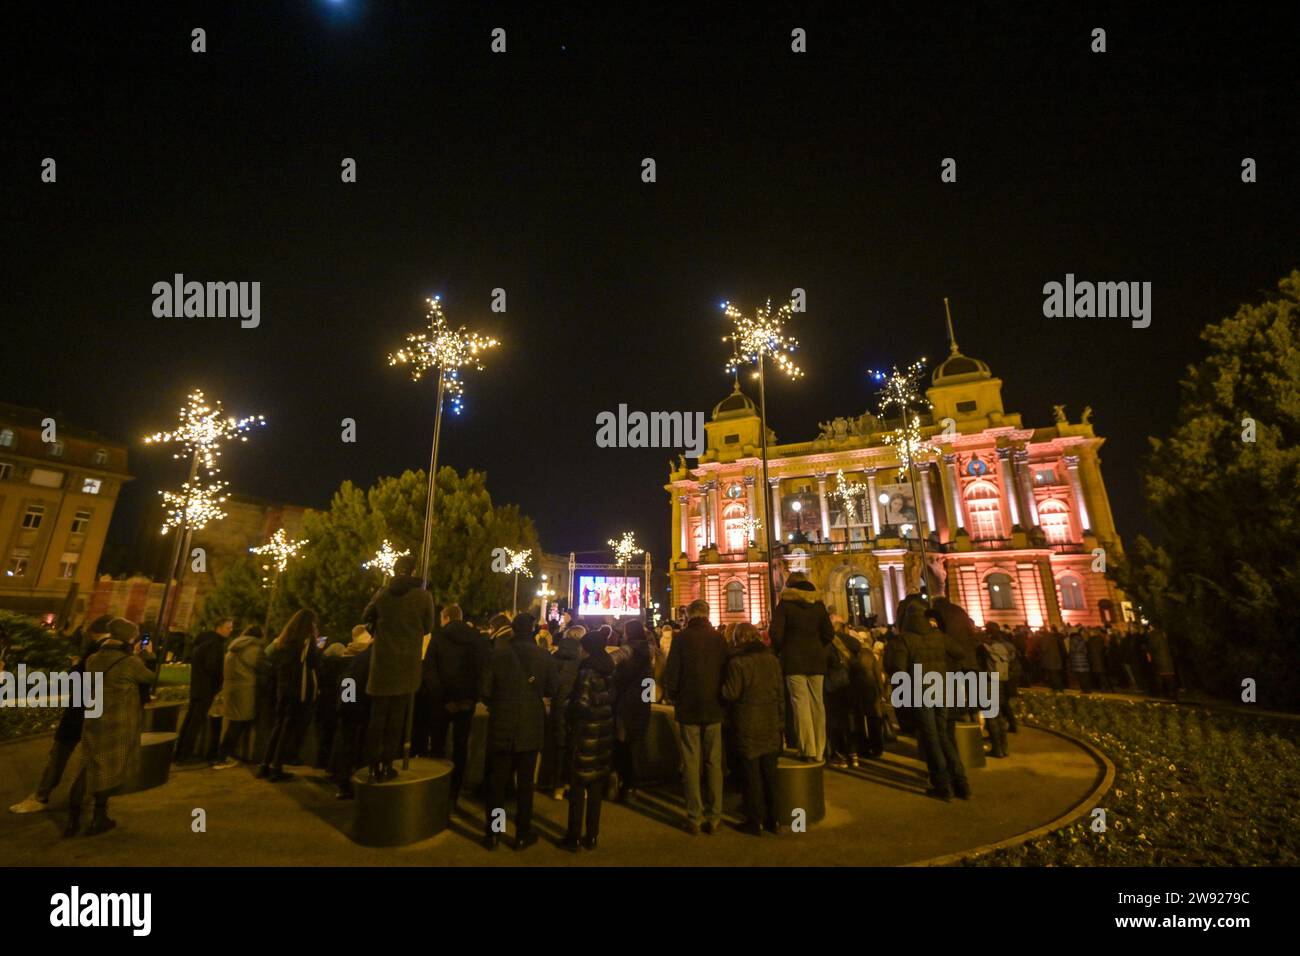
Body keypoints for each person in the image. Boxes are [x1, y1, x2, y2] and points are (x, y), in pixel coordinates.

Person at [10, 616, 114, 814]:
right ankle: (83, 797)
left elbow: (78, 677)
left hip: (79, 708)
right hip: (98, 709)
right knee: (89, 757)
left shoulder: (96, 649)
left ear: (94, 631)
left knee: (60, 753)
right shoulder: (119, 652)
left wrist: (75, 666)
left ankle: (42, 795)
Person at [63, 619, 156, 836]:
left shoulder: (94, 659)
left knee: (88, 768)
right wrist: (148, 656)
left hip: (94, 720)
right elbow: (150, 677)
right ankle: (99, 817)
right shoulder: (130, 662)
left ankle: (73, 821)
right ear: (129, 638)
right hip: (118, 722)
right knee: (109, 770)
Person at [480, 612, 557, 851]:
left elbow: (485, 691)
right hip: (530, 727)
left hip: (502, 724)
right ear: (533, 630)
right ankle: (522, 834)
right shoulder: (544, 656)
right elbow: (552, 688)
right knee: (525, 784)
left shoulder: (497, 654)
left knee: (498, 782)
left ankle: (493, 834)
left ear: (512, 630)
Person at [362, 554, 435, 781]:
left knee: (377, 717)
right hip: (407, 662)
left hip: (382, 662)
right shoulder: (423, 596)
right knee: (396, 719)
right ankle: (386, 765)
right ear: (413, 571)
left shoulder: (382, 594)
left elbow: (366, 616)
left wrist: (381, 630)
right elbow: (428, 626)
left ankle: (372, 765)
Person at [662, 599, 728, 834]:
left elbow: (672, 673)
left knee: (691, 761)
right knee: (714, 761)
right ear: (708, 614)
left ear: (689, 616)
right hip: (714, 707)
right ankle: (715, 815)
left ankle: (695, 817)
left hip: (688, 707)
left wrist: (673, 696)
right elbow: (726, 671)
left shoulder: (681, 639)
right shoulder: (719, 639)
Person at [898, 600, 969, 801]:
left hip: (921, 692)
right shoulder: (938, 636)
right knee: (943, 735)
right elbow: (959, 653)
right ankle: (961, 782)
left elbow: (897, 668)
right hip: (942, 689)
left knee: (931, 737)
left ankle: (942, 784)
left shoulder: (905, 639)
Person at [721, 622, 785, 836]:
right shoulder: (772, 660)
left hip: (747, 723)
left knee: (751, 775)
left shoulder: (737, 662)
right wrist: (781, 722)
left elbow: (730, 693)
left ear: (738, 639)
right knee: (770, 773)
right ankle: (774, 819)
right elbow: (781, 693)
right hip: (770, 721)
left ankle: (754, 820)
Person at [560, 629, 616, 851]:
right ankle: (592, 836)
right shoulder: (610, 670)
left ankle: (573, 837)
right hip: (603, 735)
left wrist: (568, 709)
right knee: (595, 790)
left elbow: (581, 705)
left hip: (585, 736)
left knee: (577, 789)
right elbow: (611, 699)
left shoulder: (587, 672)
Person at [769, 571, 833, 762]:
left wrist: (784, 648)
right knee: (818, 705)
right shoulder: (819, 605)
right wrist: (816, 647)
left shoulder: (785, 604)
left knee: (800, 704)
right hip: (816, 660)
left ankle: (808, 748)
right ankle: (820, 749)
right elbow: (829, 634)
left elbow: (776, 632)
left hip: (794, 661)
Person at [426, 603, 484, 809]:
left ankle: (435, 790)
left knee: (438, 745)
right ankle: (454, 794)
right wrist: (470, 698)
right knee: (461, 747)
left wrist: (444, 700)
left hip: (443, 704)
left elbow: (431, 671)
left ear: (446, 618)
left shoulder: (438, 637)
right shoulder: (476, 638)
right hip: (466, 702)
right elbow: (481, 671)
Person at [257, 610, 322, 782]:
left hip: (282, 688)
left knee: (278, 726)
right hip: (298, 690)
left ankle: (265, 765)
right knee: (287, 729)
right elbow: (314, 662)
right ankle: (276, 768)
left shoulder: (283, 640)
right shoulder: (306, 641)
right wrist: (317, 645)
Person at [174, 617, 232, 763]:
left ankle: (180, 751)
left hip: (197, 686)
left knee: (190, 719)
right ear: (219, 627)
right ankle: (185, 754)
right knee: (195, 721)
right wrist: (217, 683)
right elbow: (213, 667)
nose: (230, 630)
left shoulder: (203, 642)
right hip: (206, 687)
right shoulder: (215, 644)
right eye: (228, 627)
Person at [538, 624, 583, 799]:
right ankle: (571, 784)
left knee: (557, 745)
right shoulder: (582, 659)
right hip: (576, 705)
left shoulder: (555, 656)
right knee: (574, 747)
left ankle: (553, 783)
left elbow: (548, 683)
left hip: (558, 705)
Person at [212, 625, 266, 768]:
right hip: (245, 690)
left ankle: (224, 755)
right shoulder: (253, 650)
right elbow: (265, 668)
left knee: (233, 723)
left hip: (231, 689)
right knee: (237, 725)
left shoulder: (233, 648)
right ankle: (222, 758)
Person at [612, 619, 653, 801]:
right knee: (638, 741)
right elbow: (652, 679)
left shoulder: (626, 651)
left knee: (623, 742)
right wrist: (647, 699)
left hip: (625, 701)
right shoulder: (652, 651)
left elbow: (609, 664)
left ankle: (624, 783)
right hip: (643, 701)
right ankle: (636, 782)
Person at [331, 625, 373, 800]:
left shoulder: (355, 655)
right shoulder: (370, 657)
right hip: (359, 704)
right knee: (354, 743)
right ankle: (349, 781)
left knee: (346, 741)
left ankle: (342, 780)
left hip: (350, 702)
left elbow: (348, 679)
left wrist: (347, 704)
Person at [978, 629, 1013, 758]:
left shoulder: (981, 649)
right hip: (999, 681)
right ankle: (1005, 748)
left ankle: (997, 749)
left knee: (990, 717)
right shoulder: (999, 647)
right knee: (998, 715)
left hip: (986, 682)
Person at [1067, 626, 1091, 692]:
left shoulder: (1072, 640)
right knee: (1085, 676)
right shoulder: (1082, 639)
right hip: (1084, 660)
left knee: (1080, 676)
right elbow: (1086, 650)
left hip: (1076, 660)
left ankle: (1084, 689)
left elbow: (1072, 650)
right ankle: (1087, 689)